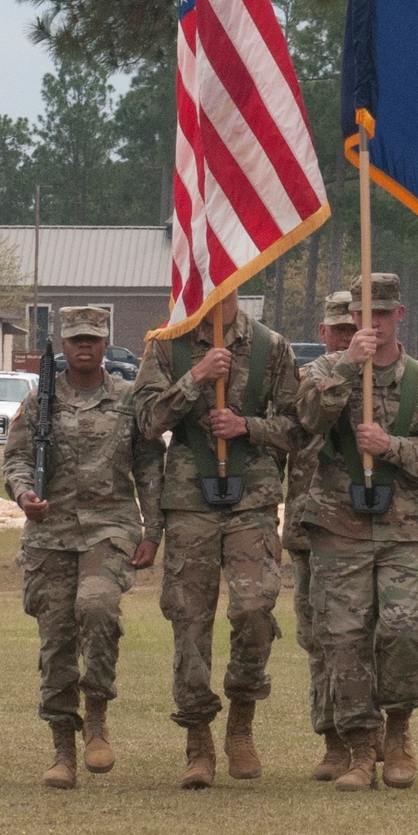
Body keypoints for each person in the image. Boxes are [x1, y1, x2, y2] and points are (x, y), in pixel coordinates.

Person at [133, 291, 298, 789]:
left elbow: (302, 428)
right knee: (189, 619)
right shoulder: (167, 348)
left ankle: (242, 717)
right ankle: (198, 737)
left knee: (254, 608)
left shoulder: (272, 348)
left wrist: (248, 425)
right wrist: (196, 377)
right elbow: (145, 422)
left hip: (252, 501)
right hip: (189, 502)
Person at [295, 272, 418, 792]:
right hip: (340, 525)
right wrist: (347, 366)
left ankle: (399, 728)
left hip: (407, 527)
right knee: (343, 639)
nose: (374, 325)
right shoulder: (325, 371)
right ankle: (361, 748)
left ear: (399, 316)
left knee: (405, 630)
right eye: (364, 316)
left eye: (383, 315)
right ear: (351, 319)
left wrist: (391, 447)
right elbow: (307, 422)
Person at [3, 306, 164, 790]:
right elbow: (15, 458)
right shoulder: (39, 403)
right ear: (63, 344)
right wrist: (23, 494)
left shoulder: (127, 399)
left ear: (105, 341)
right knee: (56, 641)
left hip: (108, 528)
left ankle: (96, 715)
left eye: (93, 338)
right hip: (50, 533)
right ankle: (63, 748)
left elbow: (150, 469)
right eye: (76, 339)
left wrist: (153, 531)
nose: (85, 346)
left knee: (96, 610)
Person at [281, 289, 359, 780]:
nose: (346, 337)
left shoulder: (396, 378)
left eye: (354, 328)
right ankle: (332, 739)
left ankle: (371, 738)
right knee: (319, 638)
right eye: (339, 329)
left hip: (373, 523)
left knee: (368, 636)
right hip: (314, 524)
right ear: (323, 333)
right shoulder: (308, 380)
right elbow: (297, 431)